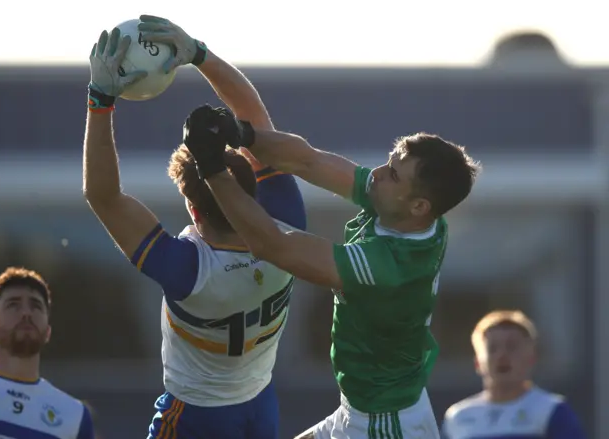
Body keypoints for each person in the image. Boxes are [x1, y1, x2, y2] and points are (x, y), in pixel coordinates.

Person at [179, 104, 480, 439]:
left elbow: (273, 245)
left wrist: (212, 169)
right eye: (389, 160)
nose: (378, 172)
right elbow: (310, 161)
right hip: (369, 408)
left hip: (383, 424)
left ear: (419, 206)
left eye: (393, 174)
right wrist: (243, 134)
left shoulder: (388, 266)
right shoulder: (417, 216)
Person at [83, 16, 306, 439]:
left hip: (196, 418)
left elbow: (103, 197)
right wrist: (199, 54)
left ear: (193, 209)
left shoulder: (187, 270)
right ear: (253, 194)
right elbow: (257, 121)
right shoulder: (287, 228)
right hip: (260, 406)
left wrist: (100, 99)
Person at [0, 267, 94, 438]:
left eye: (36, 306)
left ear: (48, 332)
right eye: (13, 305)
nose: (27, 313)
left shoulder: (74, 415)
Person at [441, 310, 586, 439]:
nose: (502, 356)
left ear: (531, 358)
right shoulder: (457, 417)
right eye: (492, 348)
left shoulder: (551, 410)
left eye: (511, 347)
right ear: (477, 363)